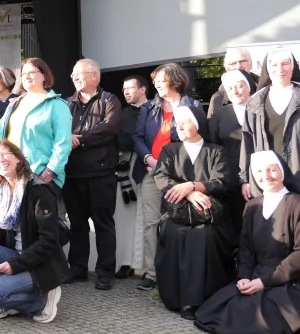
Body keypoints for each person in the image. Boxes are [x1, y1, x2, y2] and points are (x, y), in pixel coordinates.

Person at [195, 151, 300, 334]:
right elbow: (245, 248)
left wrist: (265, 282)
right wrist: (244, 276)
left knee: (266, 319)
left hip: (295, 280)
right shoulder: (252, 206)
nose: (266, 176)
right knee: (219, 309)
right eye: (259, 171)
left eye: (272, 169)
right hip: (257, 274)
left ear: (282, 171)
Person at [0, 140, 71, 323]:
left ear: (18, 158)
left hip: (40, 264)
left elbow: (49, 241)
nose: (0, 160)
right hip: (15, 254)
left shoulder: (39, 190)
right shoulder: (2, 190)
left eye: (5, 154)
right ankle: (9, 292)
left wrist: (16, 264)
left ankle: (41, 301)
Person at [153, 106, 236, 320]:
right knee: (174, 233)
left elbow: (223, 181)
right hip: (176, 214)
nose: (179, 126)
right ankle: (176, 298)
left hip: (207, 216)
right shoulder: (169, 151)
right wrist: (188, 193)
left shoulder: (217, 151)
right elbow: (161, 178)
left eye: (185, 122)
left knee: (203, 236)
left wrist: (192, 185)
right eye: (176, 122)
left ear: (197, 124)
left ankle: (200, 299)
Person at [132, 63, 201, 291]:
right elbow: (138, 138)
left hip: (181, 174)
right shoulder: (148, 108)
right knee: (151, 223)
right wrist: (148, 159)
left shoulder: (193, 106)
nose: (157, 85)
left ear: (175, 80)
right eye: (155, 82)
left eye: (161, 81)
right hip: (151, 172)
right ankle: (153, 273)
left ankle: (178, 271)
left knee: (179, 221)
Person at [240, 47, 300, 205]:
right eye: (274, 65)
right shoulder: (254, 102)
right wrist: (245, 178)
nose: (280, 69)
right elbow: (247, 142)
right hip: (266, 180)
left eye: (285, 64)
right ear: (267, 69)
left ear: (293, 67)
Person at [63, 59, 123, 290]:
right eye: (73, 75)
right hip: (72, 174)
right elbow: (59, 131)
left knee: (103, 224)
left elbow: (110, 127)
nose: (75, 78)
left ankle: (105, 272)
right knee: (76, 224)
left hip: (101, 173)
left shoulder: (110, 100)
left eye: (80, 74)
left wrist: (79, 139)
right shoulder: (66, 104)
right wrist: (69, 137)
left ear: (95, 76)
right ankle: (77, 268)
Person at [0, 58, 72, 194]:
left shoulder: (57, 105)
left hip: (41, 177)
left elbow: (63, 143)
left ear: (44, 75)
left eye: (32, 72)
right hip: (12, 178)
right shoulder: (14, 103)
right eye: (23, 73)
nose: (26, 76)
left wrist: (50, 171)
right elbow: (0, 138)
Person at [208, 69, 256, 234]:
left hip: (260, 174)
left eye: (239, 86)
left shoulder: (261, 110)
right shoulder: (220, 115)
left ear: (248, 86)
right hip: (230, 178)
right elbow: (213, 147)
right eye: (230, 88)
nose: (235, 91)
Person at [114, 75, 149, 279]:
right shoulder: (121, 114)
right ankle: (125, 262)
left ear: (143, 89)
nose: (126, 92)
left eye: (130, 88)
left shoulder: (155, 110)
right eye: (124, 88)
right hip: (126, 166)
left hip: (150, 166)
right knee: (125, 215)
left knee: (149, 216)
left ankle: (149, 266)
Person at [207, 48, 258, 118]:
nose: (238, 66)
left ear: (251, 64)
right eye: (233, 63)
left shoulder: (266, 89)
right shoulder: (218, 98)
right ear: (226, 68)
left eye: (242, 61)